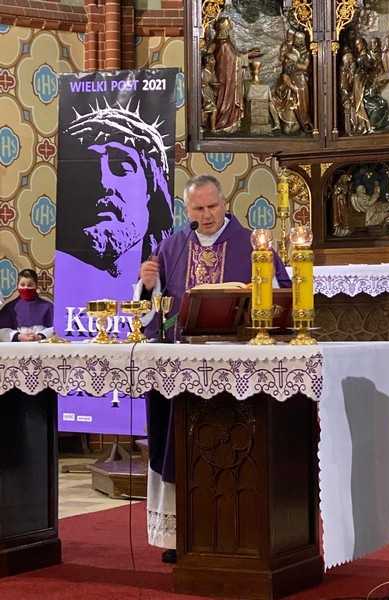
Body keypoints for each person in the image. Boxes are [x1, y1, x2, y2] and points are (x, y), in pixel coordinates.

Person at [135, 174, 291, 563]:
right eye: (197, 208)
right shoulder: (172, 246)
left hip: (237, 368)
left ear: (225, 203)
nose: (205, 215)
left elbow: (281, 297)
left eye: (212, 206)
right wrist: (148, 286)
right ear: (186, 209)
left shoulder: (253, 245)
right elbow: (153, 314)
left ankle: (238, 531)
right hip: (181, 369)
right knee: (177, 448)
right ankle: (180, 535)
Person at [56, 101, 173, 300]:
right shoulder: (65, 277)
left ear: (151, 190)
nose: (104, 182)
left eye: (122, 167)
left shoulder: (174, 266)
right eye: (87, 167)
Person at [0, 269, 53, 342]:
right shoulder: (10, 307)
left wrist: (40, 336)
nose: (26, 288)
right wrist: (19, 336)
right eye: (22, 285)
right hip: (17, 346)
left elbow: (56, 328)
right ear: (17, 286)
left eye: (30, 285)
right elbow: (2, 330)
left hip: (41, 345)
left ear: (36, 286)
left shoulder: (48, 306)